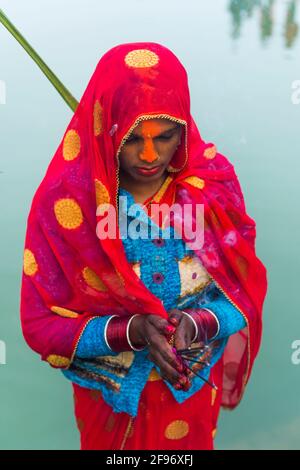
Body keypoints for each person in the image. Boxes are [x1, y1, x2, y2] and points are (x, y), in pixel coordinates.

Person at [20, 42, 268, 450]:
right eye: (133, 138)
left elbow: (244, 293)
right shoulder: (69, 204)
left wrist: (196, 324)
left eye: (165, 136)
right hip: (111, 404)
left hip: (187, 397)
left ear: (184, 129)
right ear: (108, 127)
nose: (150, 155)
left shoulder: (213, 192)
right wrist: (129, 331)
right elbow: (40, 325)